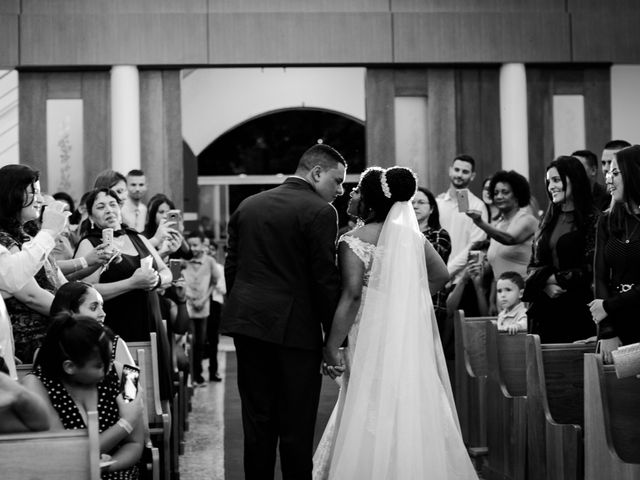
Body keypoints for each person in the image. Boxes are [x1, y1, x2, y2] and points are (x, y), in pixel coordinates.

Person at [314, 166, 475, 480]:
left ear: (371, 201)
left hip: (370, 332)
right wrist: (404, 301)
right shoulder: (411, 237)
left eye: (358, 190)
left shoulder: (353, 240)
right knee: (405, 396)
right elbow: (441, 275)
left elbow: (351, 297)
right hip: (402, 333)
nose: (351, 193)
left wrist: (331, 346)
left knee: (368, 401)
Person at [221, 143, 345, 479]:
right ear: (316, 172)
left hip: (249, 328)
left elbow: (231, 268)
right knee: (296, 424)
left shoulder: (249, 205)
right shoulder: (320, 211)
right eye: (337, 181)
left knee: (257, 421)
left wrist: (246, 308)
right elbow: (325, 281)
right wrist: (334, 337)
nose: (341, 190)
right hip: (296, 331)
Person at [22, 314, 144, 479]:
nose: (110, 367)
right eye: (100, 365)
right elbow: (65, 455)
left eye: (110, 358)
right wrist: (126, 423)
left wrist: (105, 467)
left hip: (117, 471)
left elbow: (135, 444)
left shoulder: (127, 376)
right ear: (70, 367)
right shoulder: (35, 385)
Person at [74, 188, 172, 343]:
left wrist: (156, 280)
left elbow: (166, 271)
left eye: (113, 204)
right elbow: (87, 290)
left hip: (151, 319)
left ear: (120, 209)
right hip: (118, 323)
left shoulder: (138, 237)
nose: (109, 210)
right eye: (101, 207)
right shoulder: (90, 244)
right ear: (91, 217)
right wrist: (131, 283)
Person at [523, 156, 598, 343]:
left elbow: (592, 267)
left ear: (574, 179)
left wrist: (550, 279)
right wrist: (546, 285)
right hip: (545, 309)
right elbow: (533, 264)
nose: (551, 187)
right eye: (549, 182)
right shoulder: (547, 220)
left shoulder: (594, 219)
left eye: (556, 180)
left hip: (578, 308)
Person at [0, 164, 68, 362]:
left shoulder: (27, 235)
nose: (39, 199)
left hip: (57, 322)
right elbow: (31, 295)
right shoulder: (4, 239)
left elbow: (59, 281)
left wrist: (83, 300)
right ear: (12, 194)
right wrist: (76, 313)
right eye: (34, 192)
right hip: (33, 334)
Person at [590, 145, 640, 363]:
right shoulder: (607, 220)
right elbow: (599, 276)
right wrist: (608, 330)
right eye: (609, 173)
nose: (609, 179)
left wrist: (608, 306)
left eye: (616, 173)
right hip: (615, 325)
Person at [467, 170, 538, 279]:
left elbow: (509, 239)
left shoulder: (528, 220)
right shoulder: (498, 225)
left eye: (505, 192)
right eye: (495, 193)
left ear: (517, 194)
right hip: (501, 292)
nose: (499, 196)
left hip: (524, 291)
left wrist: (479, 222)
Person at [50, 281, 135, 367]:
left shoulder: (114, 344)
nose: (103, 314)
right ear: (71, 314)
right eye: (93, 307)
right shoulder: (49, 347)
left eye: (102, 307)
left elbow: (132, 380)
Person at [436, 154, 487, 279]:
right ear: (450, 170)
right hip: (435, 275)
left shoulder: (478, 206)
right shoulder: (438, 203)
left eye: (465, 172)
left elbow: (475, 245)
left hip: (462, 279)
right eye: (456, 170)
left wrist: (447, 272)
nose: (459, 175)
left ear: (472, 176)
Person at [182, 233, 219, 385]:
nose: (193, 248)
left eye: (196, 245)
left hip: (203, 307)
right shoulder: (183, 261)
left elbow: (215, 282)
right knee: (192, 341)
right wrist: (189, 297)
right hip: (188, 306)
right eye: (190, 245)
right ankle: (191, 376)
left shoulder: (210, 261)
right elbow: (177, 280)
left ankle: (198, 375)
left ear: (203, 245)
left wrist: (204, 298)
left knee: (201, 343)